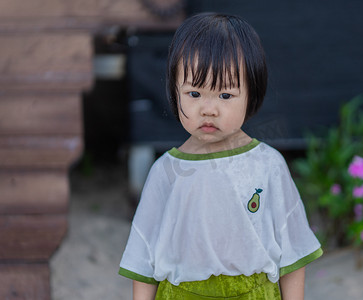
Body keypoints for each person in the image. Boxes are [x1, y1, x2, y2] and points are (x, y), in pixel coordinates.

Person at [119, 12, 322, 300]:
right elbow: (142, 259)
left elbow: (293, 253)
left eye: (225, 95)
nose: (209, 109)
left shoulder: (268, 166)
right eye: (194, 93)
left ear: (252, 93)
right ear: (174, 92)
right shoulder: (166, 172)